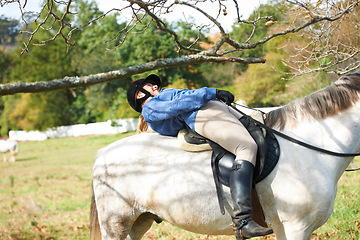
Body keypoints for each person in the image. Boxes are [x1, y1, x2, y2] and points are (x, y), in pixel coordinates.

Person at [127, 74, 273, 239]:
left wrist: (213, 95)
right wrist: (212, 92)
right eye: (148, 84)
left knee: (261, 127)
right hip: (201, 115)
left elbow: (185, 96)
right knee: (246, 147)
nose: (154, 85)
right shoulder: (150, 108)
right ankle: (242, 221)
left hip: (215, 107)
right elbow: (178, 105)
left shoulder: (165, 94)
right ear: (140, 95)